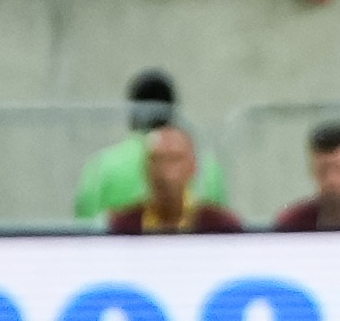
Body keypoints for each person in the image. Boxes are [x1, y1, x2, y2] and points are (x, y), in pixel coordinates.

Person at [74, 69, 228, 221]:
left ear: (131, 111)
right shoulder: (205, 164)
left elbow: (84, 231)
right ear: (174, 112)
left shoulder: (102, 165)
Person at [108, 125, 242, 234]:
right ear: (145, 169)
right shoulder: (124, 226)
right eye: (157, 160)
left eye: (175, 159)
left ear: (193, 167)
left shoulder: (220, 226)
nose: (165, 172)